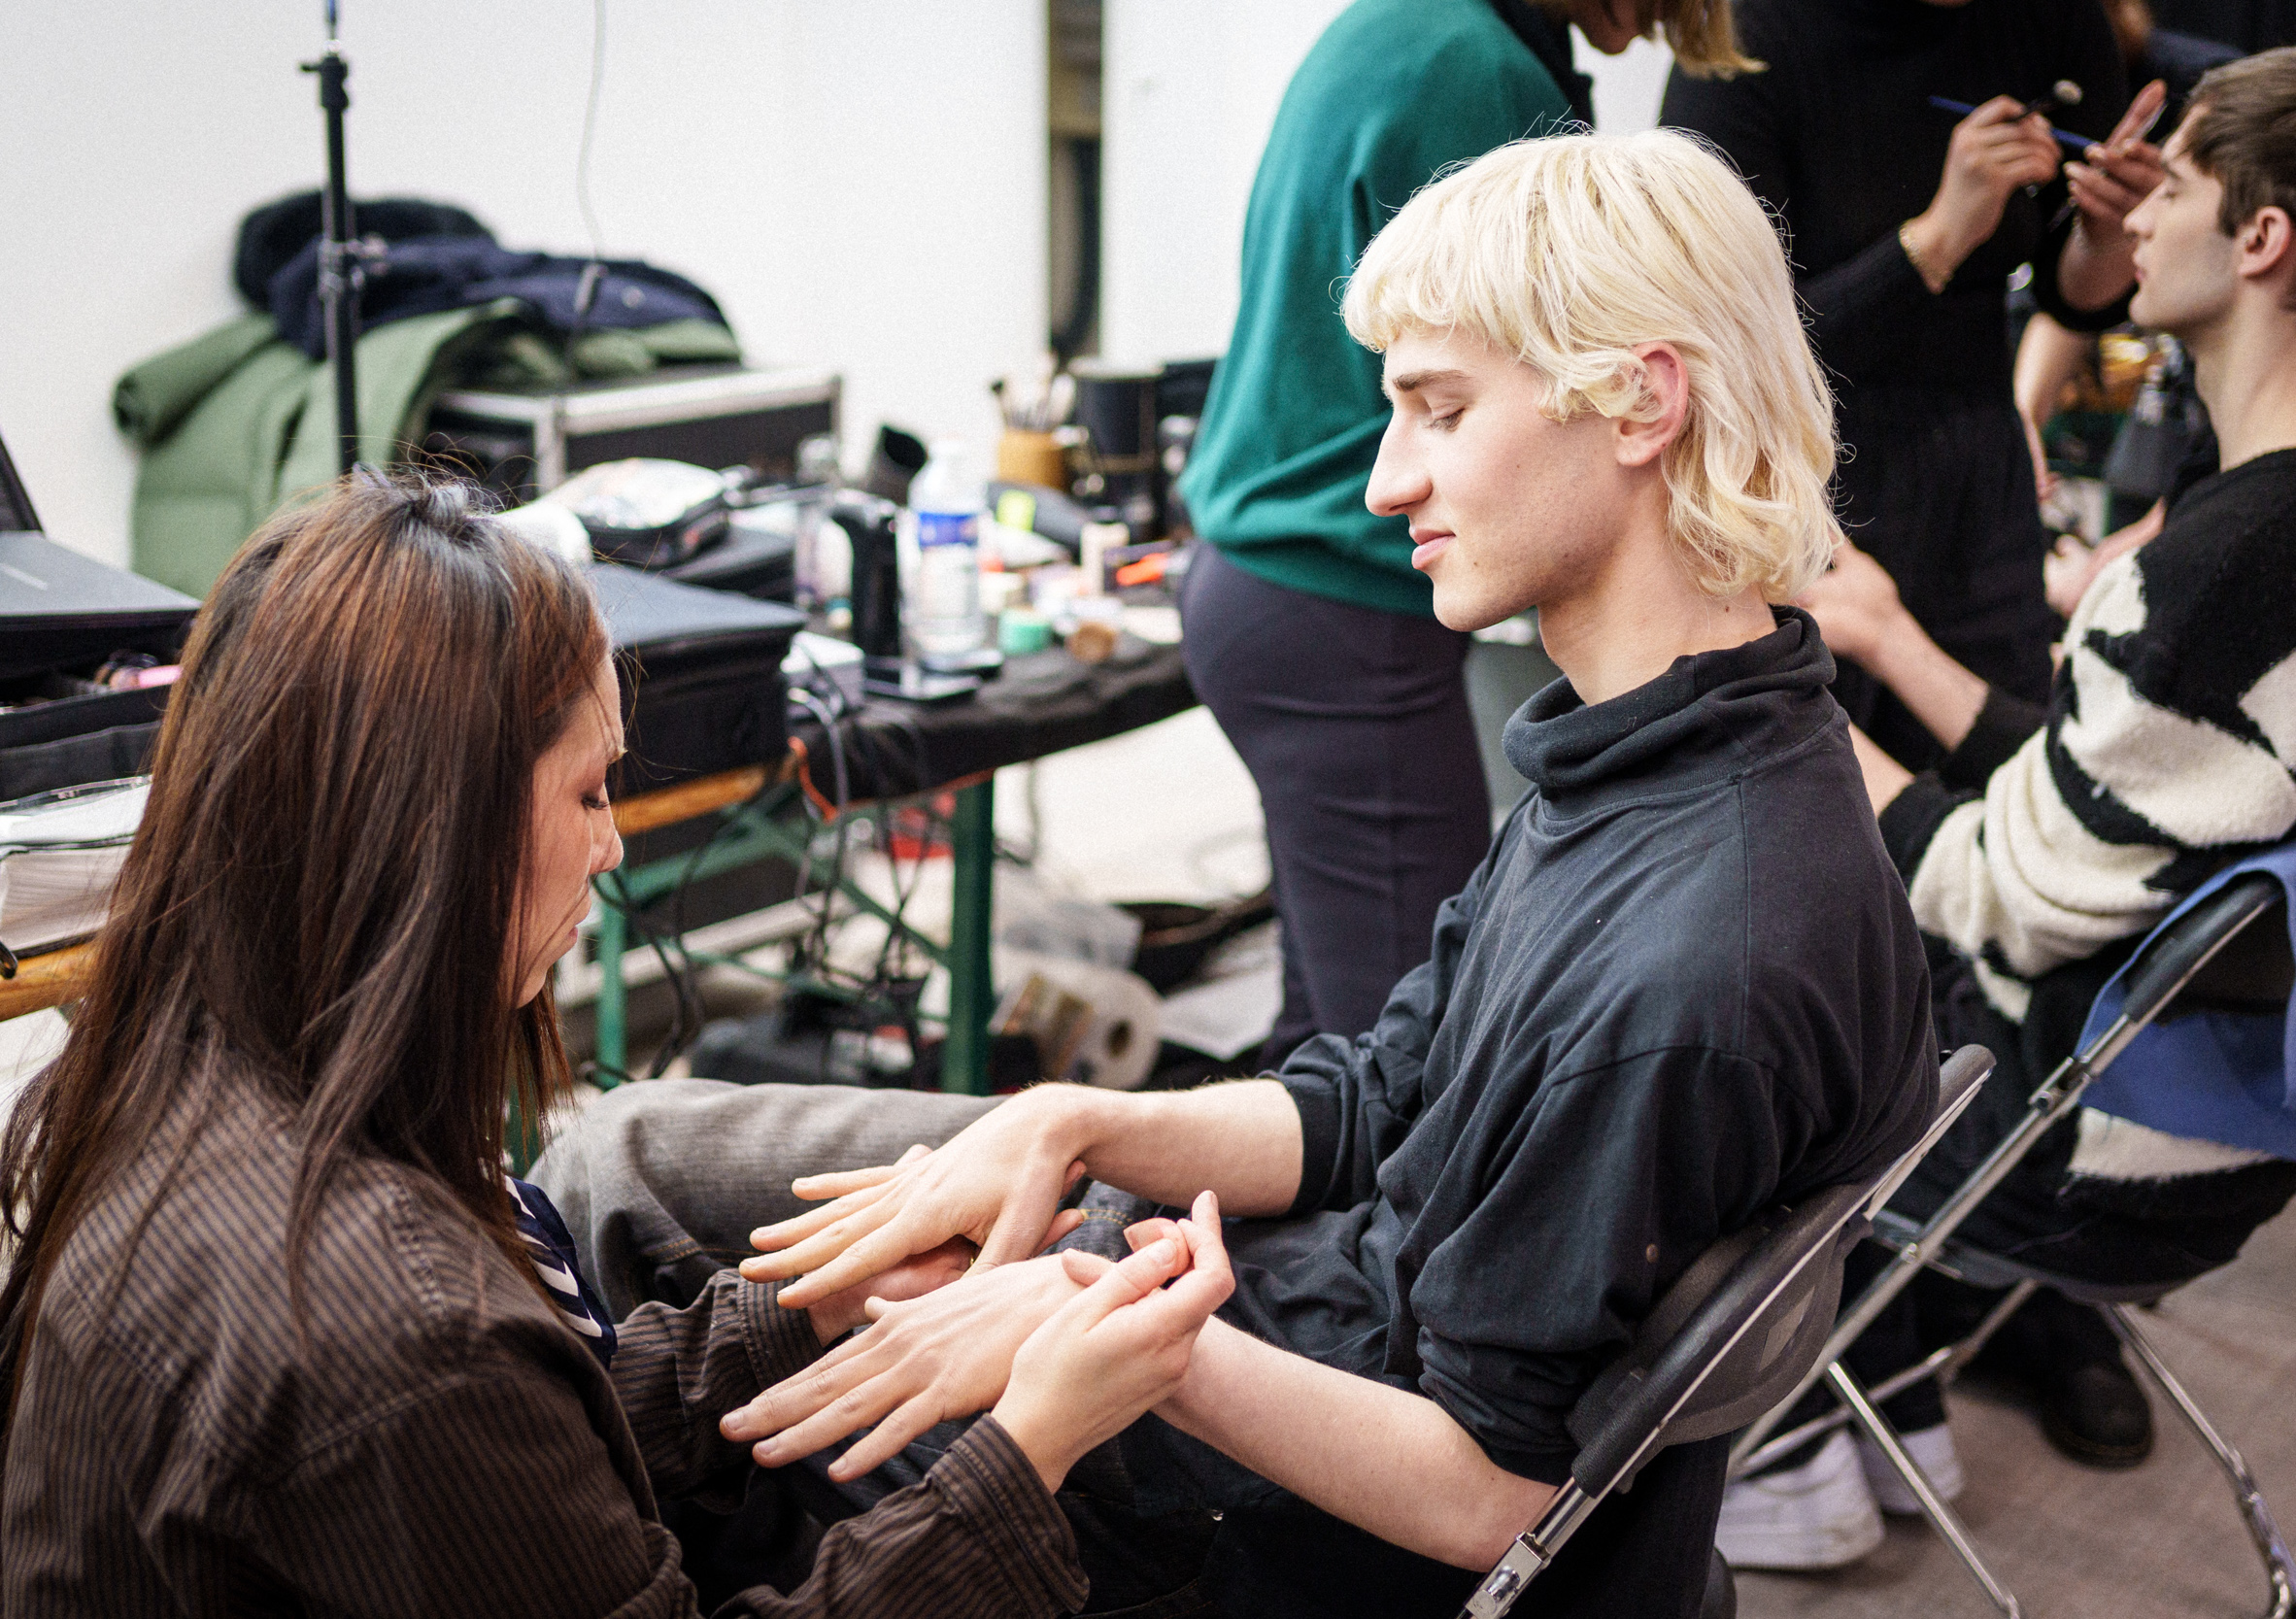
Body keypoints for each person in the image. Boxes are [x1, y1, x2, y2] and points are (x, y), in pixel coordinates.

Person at [538, 129, 1940, 1619]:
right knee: (632, 1149)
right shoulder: (1669, 751)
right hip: (1250, 1303)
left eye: (1440, 410)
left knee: (624, 1201)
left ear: (1642, 401)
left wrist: (1106, 1330)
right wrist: (1082, 1117)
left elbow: (1492, 1492)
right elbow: (1379, 1092)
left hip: (1254, 1491)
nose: (1388, 481)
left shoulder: (1689, 963)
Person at [0, 473, 1235, 1618]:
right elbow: (454, 1412)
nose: (611, 842)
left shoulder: (181, 1073)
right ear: (439, 826)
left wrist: (803, 1307)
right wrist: (1028, 1442)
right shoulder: (386, 1321)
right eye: (591, 791)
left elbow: (509, 1464)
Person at [1764, 46, 2296, 1568]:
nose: (2134, 218)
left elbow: (1999, 886)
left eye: (2174, 185)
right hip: (2229, 1117)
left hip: (2089, 1152)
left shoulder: (2210, 572)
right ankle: (1897, 1382)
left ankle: (1779, 1444)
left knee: (1732, 990)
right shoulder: (2243, 549)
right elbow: (2122, 797)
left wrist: (1776, 696)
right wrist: (1882, 644)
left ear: (2261, 239)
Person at [1176, 0, 1754, 1064]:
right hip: (1330, 606)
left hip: (1263, 586)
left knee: (1327, 1031)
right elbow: (1521, 373)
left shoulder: (1401, 24)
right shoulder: (1471, 71)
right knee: (1414, 1058)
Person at [1662, 0, 2165, 772]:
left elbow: (2075, 294)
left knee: (1999, 784)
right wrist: (1935, 239)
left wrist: (2109, 230)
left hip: (1975, 482)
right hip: (1797, 483)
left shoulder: (2056, 24)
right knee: (1803, 785)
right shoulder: (1750, 35)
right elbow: (1721, 353)